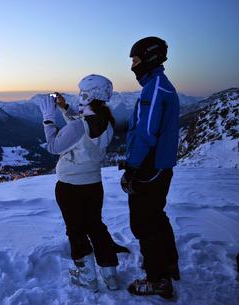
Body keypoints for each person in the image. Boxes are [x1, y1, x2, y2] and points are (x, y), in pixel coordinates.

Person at [38, 74, 129, 292]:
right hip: (94, 185)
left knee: (76, 230)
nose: (79, 96)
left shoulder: (81, 125)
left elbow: (54, 146)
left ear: (89, 95)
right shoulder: (107, 122)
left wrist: (48, 117)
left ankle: (88, 277)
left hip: (70, 187)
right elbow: (80, 129)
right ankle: (110, 275)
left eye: (82, 93)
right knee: (96, 227)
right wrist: (65, 107)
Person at [120, 36, 180, 299]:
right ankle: (167, 263)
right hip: (159, 165)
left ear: (149, 57)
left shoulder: (154, 88)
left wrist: (132, 168)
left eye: (135, 59)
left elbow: (145, 132)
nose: (132, 66)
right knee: (156, 215)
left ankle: (158, 280)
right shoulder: (160, 85)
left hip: (149, 166)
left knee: (143, 223)